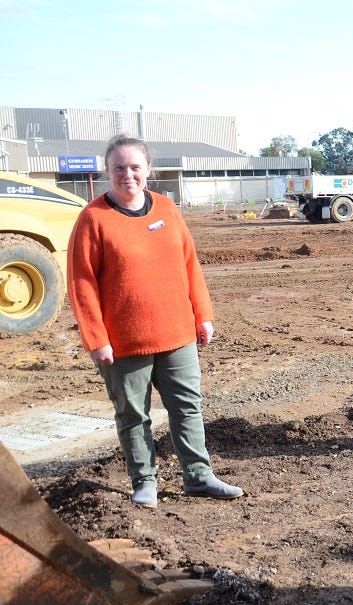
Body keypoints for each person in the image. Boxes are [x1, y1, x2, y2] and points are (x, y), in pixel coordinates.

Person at [67, 134, 243, 508]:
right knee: (133, 414)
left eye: (134, 167)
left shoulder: (166, 208)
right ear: (107, 171)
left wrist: (203, 314)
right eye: (118, 168)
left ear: (148, 169)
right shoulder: (92, 220)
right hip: (124, 343)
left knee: (187, 406)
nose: (127, 174)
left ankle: (198, 476)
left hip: (177, 333)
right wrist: (96, 339)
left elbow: (189, 263)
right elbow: (81, 284)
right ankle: (144, 482)